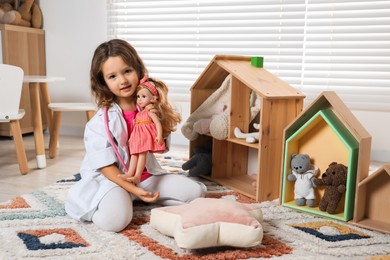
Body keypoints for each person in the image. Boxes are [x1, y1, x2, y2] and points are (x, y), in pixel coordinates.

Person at [65, 39, 207, 232]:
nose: (122, 80)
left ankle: (136, 199)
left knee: (195, 192)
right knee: (115, 221)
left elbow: (162, 147)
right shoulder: (100, 121)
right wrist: (133, 189)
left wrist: (160, 118)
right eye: (112, 76)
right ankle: (112, 201)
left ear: (138, 70)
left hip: (144, 175)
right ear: (103, 82)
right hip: (113, 179)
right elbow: (105, 167)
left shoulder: (148, 107)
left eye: (127, 71)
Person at [124, 76, 180, 184]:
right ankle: (129, 173)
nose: (139, 99)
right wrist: (131, 138)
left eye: (143, 96)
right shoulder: (140, 112)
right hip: (137, 136)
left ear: (153, 99)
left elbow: (158, 123)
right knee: (134, 154)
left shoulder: (150, 112)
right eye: (138, 96)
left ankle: (137, 175)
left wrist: (159, 136)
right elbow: (136, 126)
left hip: (145, 136)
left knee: (141, 155)